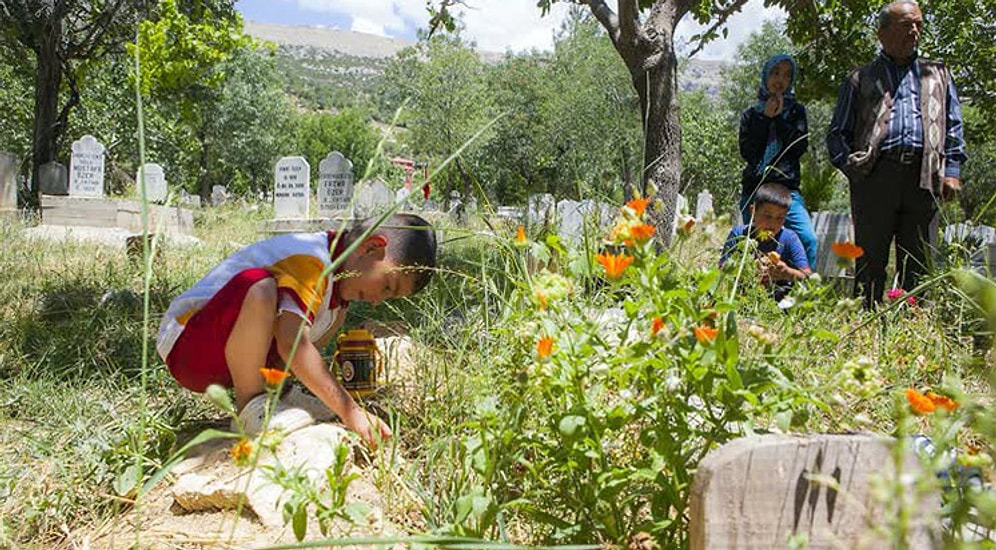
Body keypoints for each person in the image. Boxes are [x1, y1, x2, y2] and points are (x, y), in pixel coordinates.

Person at [156, 213, 437, 448]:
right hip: (189, 342)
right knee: (261, 287)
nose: (378, 301)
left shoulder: (337, 290)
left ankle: (278, 391)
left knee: (334, 313)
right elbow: (292, 344)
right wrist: (350, 411)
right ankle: (251, 407)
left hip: (223, 351)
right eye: (387, 286)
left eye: (388, 298)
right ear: (371, 247)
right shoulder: (312, 261)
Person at [826, 1, 966, 307]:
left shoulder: (939, 74)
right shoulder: (860, 78)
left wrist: (952, 171)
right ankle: (867, 325)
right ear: (882, 33)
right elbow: (837, 135)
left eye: (918, 24)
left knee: (919, 259)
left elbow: (953, 126)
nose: (914, 31)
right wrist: (855, 171)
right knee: (871, 259)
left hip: (924, 176)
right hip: (876, 177)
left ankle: (913, 330)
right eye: (906, 25)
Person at [738, 53, 818, 269]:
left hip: (787, 192)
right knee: (753, 245)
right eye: (775, 73)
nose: (780, 80)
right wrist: (765, 118)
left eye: (786, 75)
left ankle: (805, 291)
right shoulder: (750, 115)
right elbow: (748, 152)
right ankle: (753, 293)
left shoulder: (796, 112)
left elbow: (799, 147)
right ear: (765, 76)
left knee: (808, 239)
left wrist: (780, 119)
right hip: (756, 190)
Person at [722, 183, 812, 300]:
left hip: (778, 300)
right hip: (742, 296)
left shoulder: (789, 238)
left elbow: (807, 276)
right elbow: (722, 269)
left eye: (780, 218)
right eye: (767, 216)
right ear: (753, 211)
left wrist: (787, 273)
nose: (773, 224)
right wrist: (747, 270)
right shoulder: (739, 235)